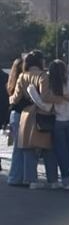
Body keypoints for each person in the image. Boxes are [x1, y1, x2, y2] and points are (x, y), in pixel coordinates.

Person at [28, 59, 69, 191]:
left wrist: (32, 91)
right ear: (65, 69)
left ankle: (65, 180)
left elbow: (45, 105)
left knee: (62, 152)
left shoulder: (53, 86)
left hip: (58, 121)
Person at [9, 50, 59, 189]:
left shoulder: (22, 76)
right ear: (39, 61)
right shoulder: (43, 75)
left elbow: (15, 98)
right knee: (48, 148)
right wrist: (60, 99)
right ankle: (53, 180)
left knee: (28, 149)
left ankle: (31, 180)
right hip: (41, 114)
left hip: (26, 115)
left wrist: (10, 100)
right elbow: (45, 96)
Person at [6, 57, 26, 186]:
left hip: (14, 115)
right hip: (20, 115)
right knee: (20, 148)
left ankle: (15, 176)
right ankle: (15, 177)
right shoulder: (22, 80)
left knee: (17, 148)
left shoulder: (11, 81)